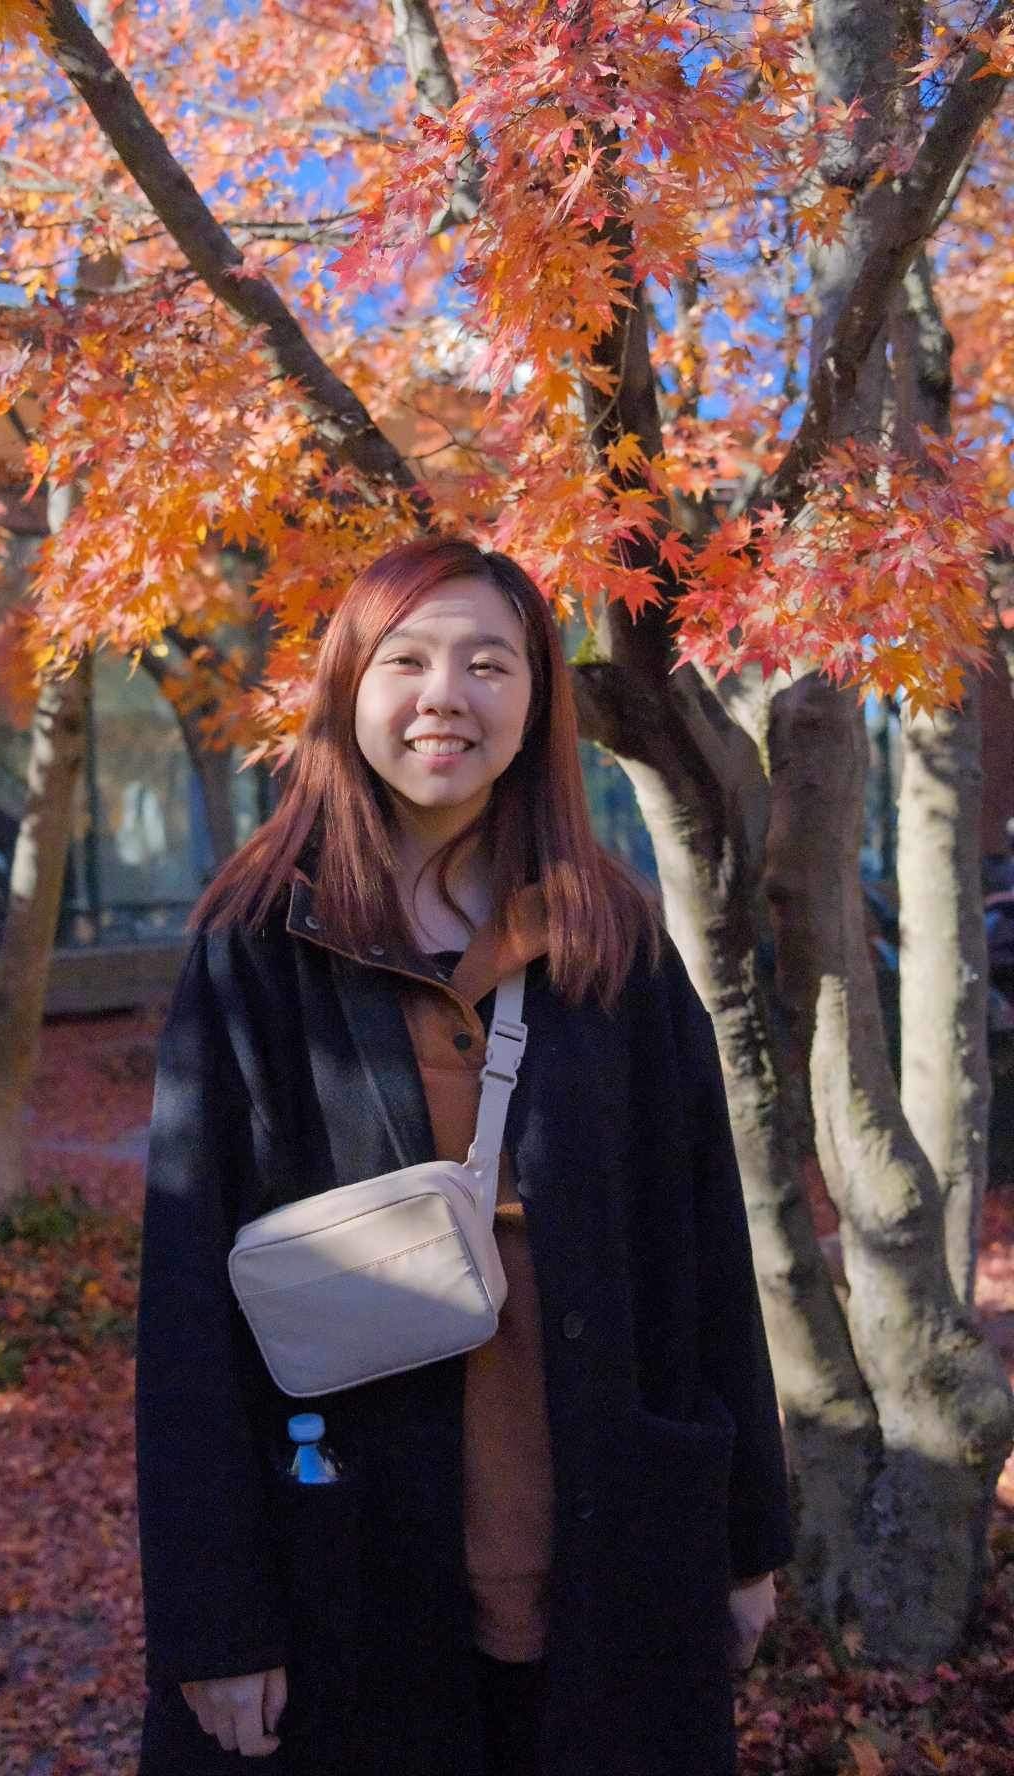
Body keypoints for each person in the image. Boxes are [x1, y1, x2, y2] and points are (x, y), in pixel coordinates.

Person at [135, 537, 792, 1776]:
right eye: (408, 660)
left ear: (536, 701)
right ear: (349, 687)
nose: (446, 694)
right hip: (343, 1561)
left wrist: (744, 1535)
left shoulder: (609, 944)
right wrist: (214, 1616)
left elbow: (703, 1247)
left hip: (608, 1546)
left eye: (489, 664)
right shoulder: (259, 947)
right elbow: (184, 1309)